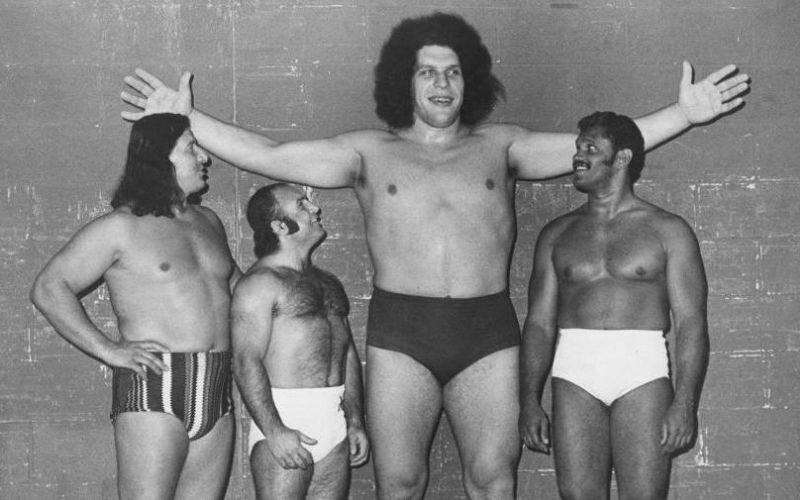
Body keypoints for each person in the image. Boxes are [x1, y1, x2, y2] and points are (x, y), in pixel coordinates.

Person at [119, 12, 745, 499]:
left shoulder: (502, 146)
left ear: (470, 82)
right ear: (406, 82)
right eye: (427, 72)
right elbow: (271, 155)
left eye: (453, 73)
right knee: (399, 484)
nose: (442, 84)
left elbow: (606, 147)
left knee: (493, 481)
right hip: (402, 331)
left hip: (486, 331)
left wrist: (683, 115)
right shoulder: (368, 152)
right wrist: (190, 119)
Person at [30, 113, 240, 500]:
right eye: (191, 148)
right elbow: (48, 287)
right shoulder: (120, 227)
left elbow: (240, 292)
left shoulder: (210, 222)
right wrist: (108, 350)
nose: (204, 157)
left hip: (215, 384)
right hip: (155, 386)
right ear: (160, 158)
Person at [519, 111, 709, 500]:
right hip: (574, 372)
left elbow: (690, 322)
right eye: (578, 148)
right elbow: (538, 323)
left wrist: (685, 402)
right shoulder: (557, 233)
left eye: (591, 148)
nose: (578, 156)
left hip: (641, 371)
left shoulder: (668, 230)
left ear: (621, 158)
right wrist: (528, 399)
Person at [231, 183, 369, 500]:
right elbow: (244, 361)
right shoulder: (260, 284)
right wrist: (274, 430)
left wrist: (355, 420)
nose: (315, 209)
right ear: (280, 226)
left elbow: (346, 353)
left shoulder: (328, 283)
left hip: (334, 425)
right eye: (302, 205)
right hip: (285, 421)